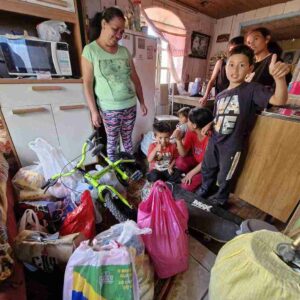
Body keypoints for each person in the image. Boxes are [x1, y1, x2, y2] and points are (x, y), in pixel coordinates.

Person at [196, 45, 289, 206]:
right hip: (215, 140)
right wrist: (210, 124)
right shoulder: (220, 95)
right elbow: (220, 115)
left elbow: (279, 100)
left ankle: (220, 199)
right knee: (208, 167)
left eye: (242, 65)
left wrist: (279, 79)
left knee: (225, 175)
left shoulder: (252, 89)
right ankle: (205, 189)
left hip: (232, 145)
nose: (235, 70)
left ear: (250, 69)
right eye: (231, 64)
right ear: (225, 67)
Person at [81, 7, 147, 161]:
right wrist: (94, 111)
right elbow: (88, 83)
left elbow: (135, 78)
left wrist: (142, 102)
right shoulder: (90, 50)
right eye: (115, 29)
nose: (119, 35)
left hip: (130, 105)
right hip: (110, 108)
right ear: (104, 24)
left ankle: (129, 170)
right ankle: (115, 174)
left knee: (127, 140)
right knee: (112, 143)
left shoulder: (124, 51)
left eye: (122, 32)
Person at [174, 108, 214, 192]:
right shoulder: (191, 133)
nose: (186, 123)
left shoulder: (210, 138)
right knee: (179, 162)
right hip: (197, 162)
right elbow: (183, 154)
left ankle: (207, 183)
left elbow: (205, 162)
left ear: (194, 125)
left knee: (185, 186)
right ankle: (192, 176)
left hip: (206, 168)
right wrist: (178, 140)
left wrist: (190, 174)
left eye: (188, 121)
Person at [199, 36, 244, 107]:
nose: (232, 52)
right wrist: (205, 97)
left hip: (235, 101)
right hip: (220, 99)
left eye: (236, 50)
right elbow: (211, 81)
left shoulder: (242, 65)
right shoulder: (221, 63)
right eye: (231, 49)